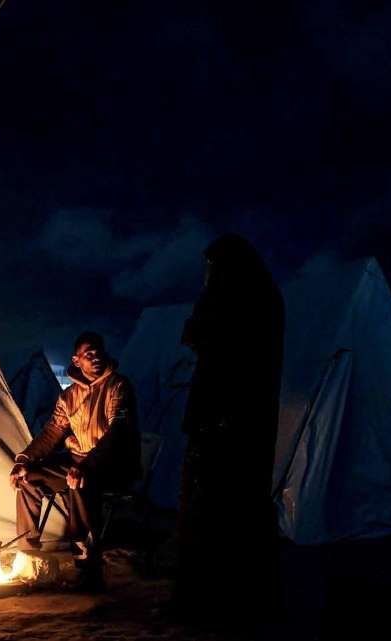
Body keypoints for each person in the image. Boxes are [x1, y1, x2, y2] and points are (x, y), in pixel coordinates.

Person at [174, 234, 285, 620]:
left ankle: (222, 599)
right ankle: (222, 594)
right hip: (229, 421)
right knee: (223, 509)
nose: (207, 274)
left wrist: (220, 418)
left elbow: (207, 342)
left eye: (212, 267)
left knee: (222, 509)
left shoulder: (244, 304)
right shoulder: (256, 301)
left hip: (228, 424)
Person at [10, 331, 139, 589]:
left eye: (98, 352)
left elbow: (117, 433)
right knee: (29, 479)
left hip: (111, 464)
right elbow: (53, 430)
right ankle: (28, 554)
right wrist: (24, 459)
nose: (96, 358)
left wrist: (86, 466)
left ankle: (86, 566)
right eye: (88, 354)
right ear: (77, 360)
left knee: (77, 482)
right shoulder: (69, 396)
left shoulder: (118, 386)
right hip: (78, 462)